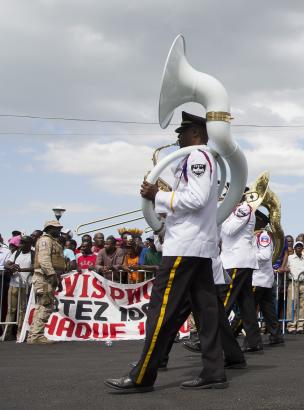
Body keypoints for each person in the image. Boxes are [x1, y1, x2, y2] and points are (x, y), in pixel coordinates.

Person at [105, 111, 242, 393]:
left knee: (162, 310)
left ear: (196, 134)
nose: (177, 137)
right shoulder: (200, 158)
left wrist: (158, 195)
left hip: (185, 246)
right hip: (197, 247)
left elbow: (196, 198)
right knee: (206, 312)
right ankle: (214, 371)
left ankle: (143, 375)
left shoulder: (197, 157)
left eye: (182, 132)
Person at [219, 194, 263, 353]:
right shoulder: (231, 211)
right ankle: (253, 341)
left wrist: (220, 215)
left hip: (237, 261)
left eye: (227, 195)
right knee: (246, 305)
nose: (224, 198)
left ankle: (210, 338)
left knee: (224, 301)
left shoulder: (243, 209)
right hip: (237, 261)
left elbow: (229, 230)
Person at [27, 221, 67, 344]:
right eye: (57, 228)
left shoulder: (52, 241)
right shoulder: (46, 241)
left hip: (46, 277)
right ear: (49, 228)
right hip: (44, 278)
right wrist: (51, 274)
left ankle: (33, 335)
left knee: (41, 306)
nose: (59, 230)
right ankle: (36, 336)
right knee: (46, 305)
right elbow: (44, 260)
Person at [252, 210, 284, 346]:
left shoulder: (263, 236)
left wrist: (246, 256)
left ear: (259, 221)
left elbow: (264, 256)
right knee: (268, 310)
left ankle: (250, 339)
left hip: (259, 279)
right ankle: (275, 335)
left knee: (247, 309)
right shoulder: (256, 235)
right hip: (262, 279)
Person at [2, 236, 34, 341]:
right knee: (11, 310)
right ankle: (6, 332)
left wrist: (21, 270)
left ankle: (20, 333)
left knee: (22, 311)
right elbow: (7, 264)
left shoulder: (33, 254)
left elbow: (35, 267)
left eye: (24, 243)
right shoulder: (17, 252)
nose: (21, 244)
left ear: (29, 244)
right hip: (13, 284)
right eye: (21, 242)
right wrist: (10, 267)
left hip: (25, 286)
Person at [286, 241, 304, 333]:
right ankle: (291, 326)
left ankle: (300, 326)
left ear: (302, 248)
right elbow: (286, 268)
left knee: (302, 305)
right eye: (297, 246)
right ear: (294, 248)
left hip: (302, 283)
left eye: (300, 246)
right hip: (293, 283)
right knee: (292, 305)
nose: (299, 248)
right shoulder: (290, 258)